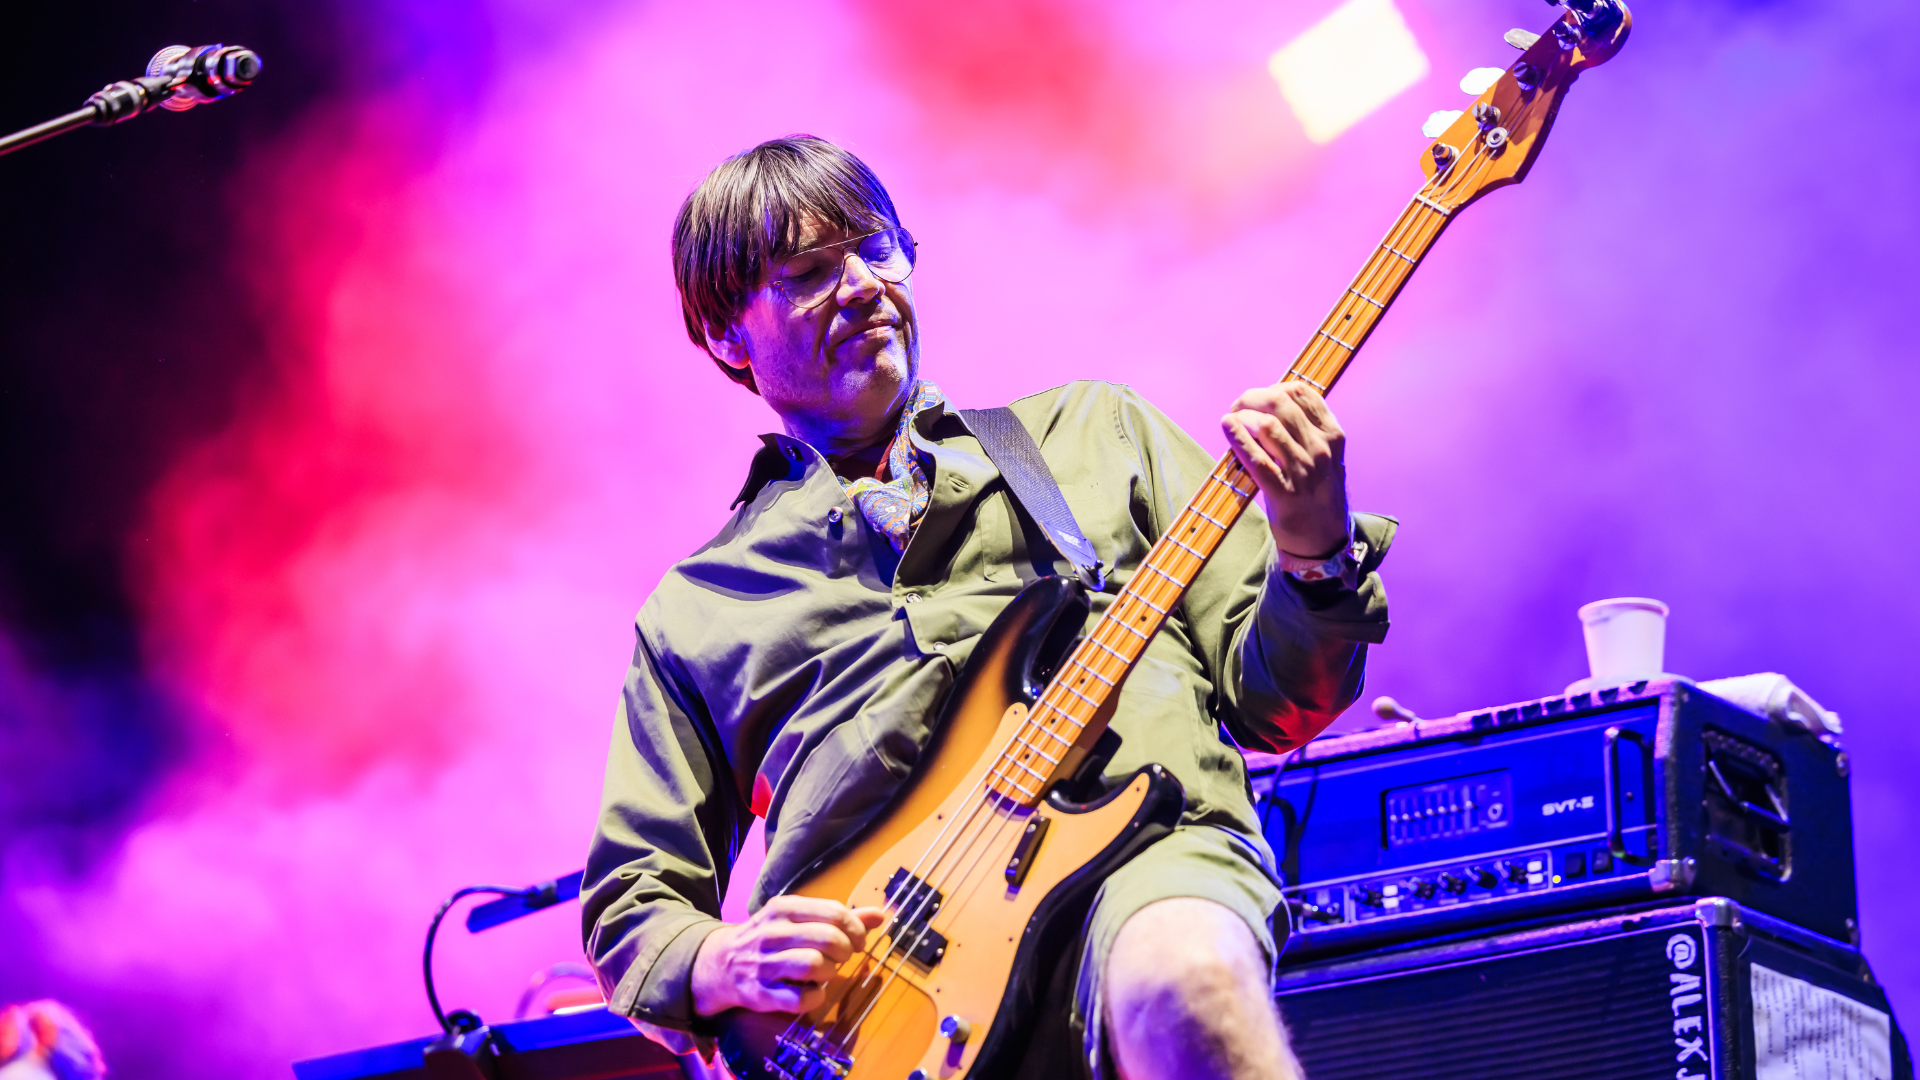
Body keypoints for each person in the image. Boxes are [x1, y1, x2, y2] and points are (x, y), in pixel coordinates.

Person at [582, 135, 1393, 1080]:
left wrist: (1313, 547)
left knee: (1187, 984)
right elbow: (635, 896)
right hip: (874, 1012)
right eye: (807, 272)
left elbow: (1281, 703)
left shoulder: (1095, 433)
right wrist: (719, 960)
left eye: (877, 249)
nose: (861, 287)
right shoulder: (698, 607)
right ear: (727, 333)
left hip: (1138, 866)